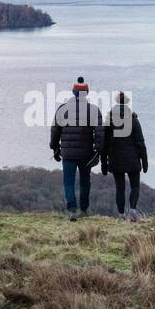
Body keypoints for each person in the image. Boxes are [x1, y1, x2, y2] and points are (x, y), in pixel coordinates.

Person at [50, 76, 104, 221]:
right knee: (85, 181)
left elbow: (55, 130)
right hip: (86, 153)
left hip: (67, 153)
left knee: (68, 182)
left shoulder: (63, 109)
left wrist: (54, 148)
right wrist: (98, 151)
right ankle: (84, 209)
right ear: (86, 92)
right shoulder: (93, 110)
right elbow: (100, 133)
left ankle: (72, 210)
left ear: (73, 92)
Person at [102, 91, 147, 220]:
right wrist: (144, 161)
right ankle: (132, 211)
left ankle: (121, 214)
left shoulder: (109, 121)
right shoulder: (133, 120)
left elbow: (105, 144)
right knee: (135, 186)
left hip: (115, 159)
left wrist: (104, 162)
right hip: (132, 159)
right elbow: (140, 143)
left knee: (120, 188)